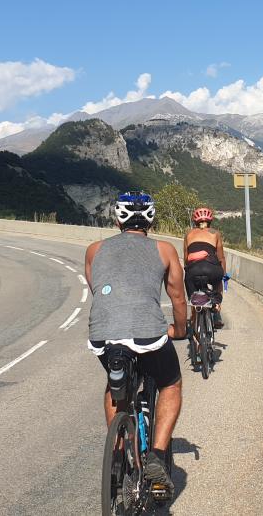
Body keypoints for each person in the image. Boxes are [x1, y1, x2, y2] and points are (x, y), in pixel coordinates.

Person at [85, 191, 187, 498]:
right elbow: (178, 297)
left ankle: (118, 451)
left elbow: (98, 291)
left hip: (103, 333)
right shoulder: (165, 250)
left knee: (114, 385)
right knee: (170, 384)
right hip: (147, 332)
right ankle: (155, 456)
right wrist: (180, 330)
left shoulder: (94, 250)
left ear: (117, 219)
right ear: (151, 221)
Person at [183, 206, 226, 329]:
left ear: (195, 222)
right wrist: (223, 275)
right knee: (218, 281)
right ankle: (217, 310)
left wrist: (189, 272)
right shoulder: (215, 233)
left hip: (194, 270)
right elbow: (221, 258)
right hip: (212, 268)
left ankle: (193, 316)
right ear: (210, 222)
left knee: (192, 295)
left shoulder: (188, 234)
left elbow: (186, 258)